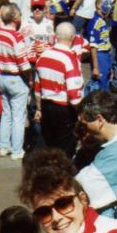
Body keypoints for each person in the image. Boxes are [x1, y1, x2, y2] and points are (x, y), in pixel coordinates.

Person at [73, 91, 117, 216]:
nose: (84, 129)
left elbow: (78, 187)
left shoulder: (114, 153)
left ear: (99, 120)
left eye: (84, 124)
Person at [33, 21, 84, 156]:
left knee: (49, 146)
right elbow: (73, 94)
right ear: (73, 38)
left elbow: (37, 87)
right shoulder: (70, 59)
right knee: (65, 150)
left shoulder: (43, 56)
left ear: (56, 36)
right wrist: (81, 112)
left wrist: (39, 108)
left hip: (46, 105)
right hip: (64, 109)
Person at [0, 3, 31, 160]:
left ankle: (4, 146)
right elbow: (23, 63)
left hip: (2, 76)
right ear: (15, 17)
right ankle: (16, 150)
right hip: (16, 77)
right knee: (18, 117)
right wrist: (30, 79)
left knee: (6, 113)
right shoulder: (16, 36)